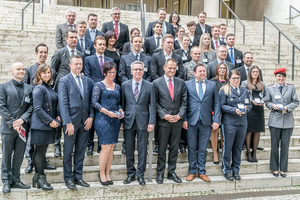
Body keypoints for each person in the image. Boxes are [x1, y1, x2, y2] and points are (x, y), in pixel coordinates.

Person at [58, 55, 94, 190]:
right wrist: (67, 122)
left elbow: (91, 101)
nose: (78, 66)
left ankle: (78, 177)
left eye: (80, 64)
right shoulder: (64, 81)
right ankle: (68, 178)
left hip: (85, 122)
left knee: (80, 150)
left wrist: (91, 117)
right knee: (68, 151)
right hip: (71, 122)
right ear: (70, 65)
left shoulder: (87, 80)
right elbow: (63, 103)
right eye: (76, 64)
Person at [183, 64, 220, 182]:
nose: (202, 73)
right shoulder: (187, 84)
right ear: (194, 73)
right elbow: (183, 103)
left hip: (206, 121)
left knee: (203, 147)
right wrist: (184, 119)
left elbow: (217, 104)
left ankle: (202, 172)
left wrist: (216, 120)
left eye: (204, 71)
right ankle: (192, 171)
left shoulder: (212, 85)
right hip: (191, 120)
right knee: (192, 147)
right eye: (199, 71)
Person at [23, 43, 56, 173]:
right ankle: (30, 162)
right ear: (36, 53)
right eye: (40, 52)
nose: (43, 54)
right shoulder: (29, 70)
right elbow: (25, 90)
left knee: (42, 142)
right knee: (31, 140)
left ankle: (42, 161)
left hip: (45, 111)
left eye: (45, 52)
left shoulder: (49, 71)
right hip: (33, 110)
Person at [0, 62, 33, 193]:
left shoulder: (29, 88)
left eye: (23, 69)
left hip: (22, 128)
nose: (21, 71)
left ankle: (16, 179)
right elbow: (1, 106)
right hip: (8, 128)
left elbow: (31, 107)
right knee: (7, 155)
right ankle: (6, 181)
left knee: (19, 156)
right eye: (18, 69)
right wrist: (12, 122)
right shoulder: (3, 87)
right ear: (11, 71)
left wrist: (22, 120)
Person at [122, 61, 156, 185]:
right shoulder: (125, 85)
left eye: (140, 69)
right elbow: (123, 104)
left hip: (143, 121)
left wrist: (152, 121)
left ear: (143, 71)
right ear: (131, 71)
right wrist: (121, 121)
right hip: (128, 121)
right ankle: (130, 174)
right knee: (129, 150)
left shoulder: (149, 85)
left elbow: (152, 105)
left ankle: (140, 175)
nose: (138, 71)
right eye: (135, 69)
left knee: (142, 150)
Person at [51, 30, 84, 157]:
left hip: (76, 90)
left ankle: (71, 145)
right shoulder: (59, 53)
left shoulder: (80, 54)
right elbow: (53, 70)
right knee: (59, 116)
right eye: (71, 37)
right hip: (61, 88)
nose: (74, 40)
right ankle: (56, 145)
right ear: (66, 39)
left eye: (76, 37)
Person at [153, 58, 187, 184]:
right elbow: (155, 103)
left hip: (177, 121)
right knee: (161, 149)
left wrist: (179, 115)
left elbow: (184, 102)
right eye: (170, 68)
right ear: (164, 67)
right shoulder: (156, 83)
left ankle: (172, 172)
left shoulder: (181, 82)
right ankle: (160, 173)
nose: (172, 70)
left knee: (174, 148)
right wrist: (164, 115)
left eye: (174, 68)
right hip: (164, 122)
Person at [91, 61, 123, 186]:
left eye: (114, 72)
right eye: (110, 72)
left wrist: (120, 110)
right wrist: (106, 112)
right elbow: (94, 102)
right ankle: (102, 173)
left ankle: (108, 173)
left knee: (111, 148)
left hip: (115, 119)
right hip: (102, 119)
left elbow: (118, 102)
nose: (112, 74)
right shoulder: (98, 85)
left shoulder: (118, 86)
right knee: (105, 147)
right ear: (104, 72)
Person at [264, 68, 299, 177]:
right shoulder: (270, 88)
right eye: (279, 76)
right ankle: (274, 168)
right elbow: (267, 101)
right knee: (274, 146)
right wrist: (272, 106)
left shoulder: (291, 88)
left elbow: (296, 101)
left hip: (287, 121)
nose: (281, 78)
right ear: (275, 77)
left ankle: (283, 168)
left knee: (285, 146)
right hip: (275, 120)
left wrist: (287, 107)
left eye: (283, 76)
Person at [30, 64, 60, 190]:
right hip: (41, 125)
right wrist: (50, 121)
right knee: (40, 152)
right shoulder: (39, 88)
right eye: (44, 73)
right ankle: (42, 179)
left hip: (47, 125)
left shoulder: (49, 87)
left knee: (40, 151)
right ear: (39, 74)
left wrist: (57, 115)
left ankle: (37, 178)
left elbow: (54, 103)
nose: (47, 74)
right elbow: (37, 109)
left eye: (49, 72)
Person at [219, 69, 252, 181]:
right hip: (229, 123)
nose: (236, 80)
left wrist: (247, 108)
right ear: (229, 79)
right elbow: (222, 106)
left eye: (238, 78)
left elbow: (249, 104)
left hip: (242, 123)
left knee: (238, 147)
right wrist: (234, 110)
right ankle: (227, 170)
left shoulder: (244, 90)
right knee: (228, 147)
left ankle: (236, 169)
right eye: (233, 78)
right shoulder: (224, 90)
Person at [84, 36, 114, 156]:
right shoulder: (88, 59)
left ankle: (101, 144)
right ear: (95, 46)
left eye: (103, 44)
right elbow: (87, 75)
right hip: (93, 92)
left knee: (104, 120)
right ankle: (90, 145)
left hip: (106, 93)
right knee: (92, 118)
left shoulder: (110, 59)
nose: (102, 46)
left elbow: (112, 75)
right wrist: (99, 86)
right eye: (100, 44)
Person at [241, 66, 266, 162]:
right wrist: (251, 101)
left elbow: (266, 95)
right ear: (250, 73)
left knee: (257, 131)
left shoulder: (262, 84)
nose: (255, 73)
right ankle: (248, 152)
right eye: (253, 72)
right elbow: (243, 95)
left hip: (259, 109)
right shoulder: (244, 83)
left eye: (256, 72)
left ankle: (254, 152)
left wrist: (263, 101)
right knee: (249, 131)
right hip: (250, 109)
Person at [210, 63, 228, 164]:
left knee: (224, 133)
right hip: (215, 110)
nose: (222, 70)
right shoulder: (212, 81)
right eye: (220, 68)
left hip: (226, 110)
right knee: (214, 131)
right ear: (217, 69)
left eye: (224, 68)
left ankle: (223, 151)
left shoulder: (229, 81)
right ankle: (215, 154)